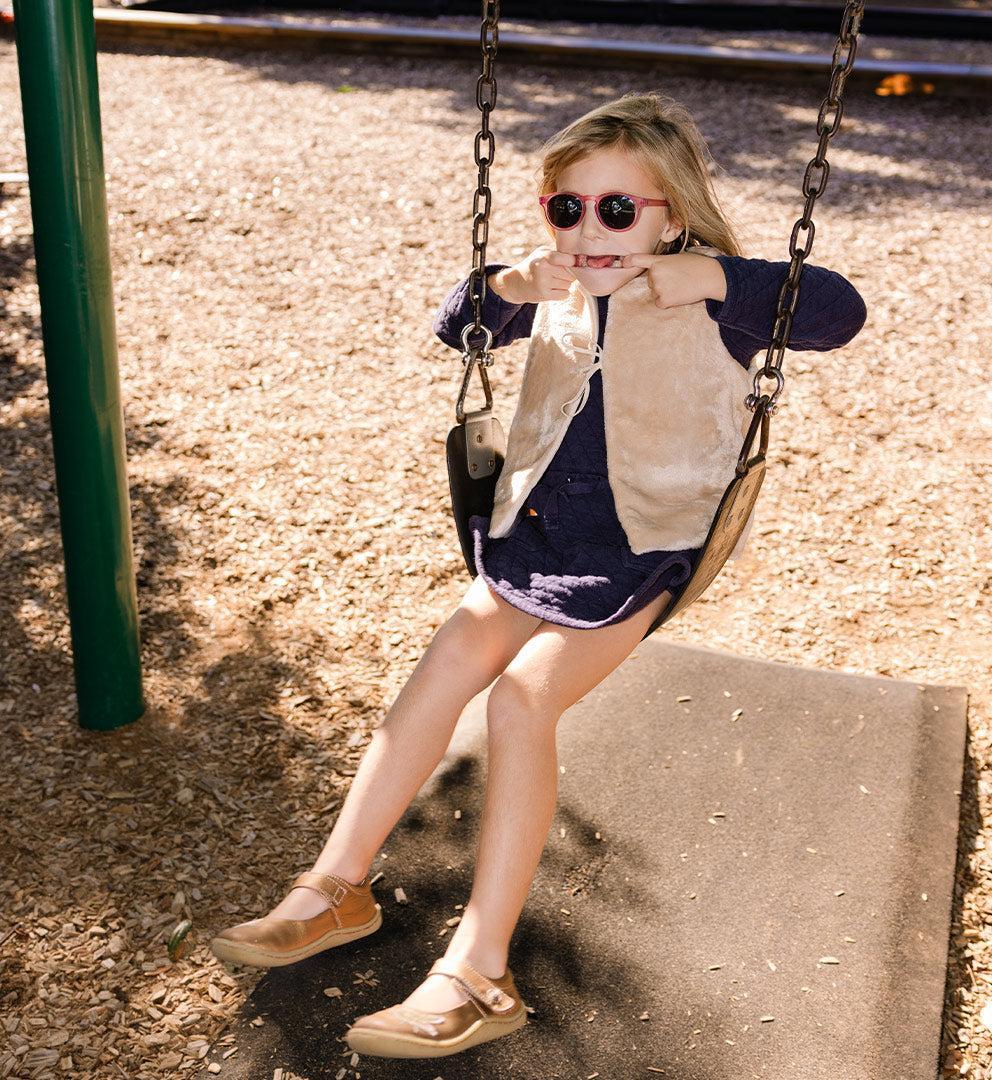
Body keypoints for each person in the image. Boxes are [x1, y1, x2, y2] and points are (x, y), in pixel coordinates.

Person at [209, 91, 867, 1059]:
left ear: (670, 216)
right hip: (535, 534)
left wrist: (718, 277)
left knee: (521, 701)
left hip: (644, 547)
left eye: (617, 209)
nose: (589, 231)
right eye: (568, 207)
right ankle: (336, 887)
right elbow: (458, 325)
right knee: (442, 670)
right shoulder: (553, 283)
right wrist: (509, 283)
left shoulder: (717, 301)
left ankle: (480, 972)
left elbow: (839, 312)